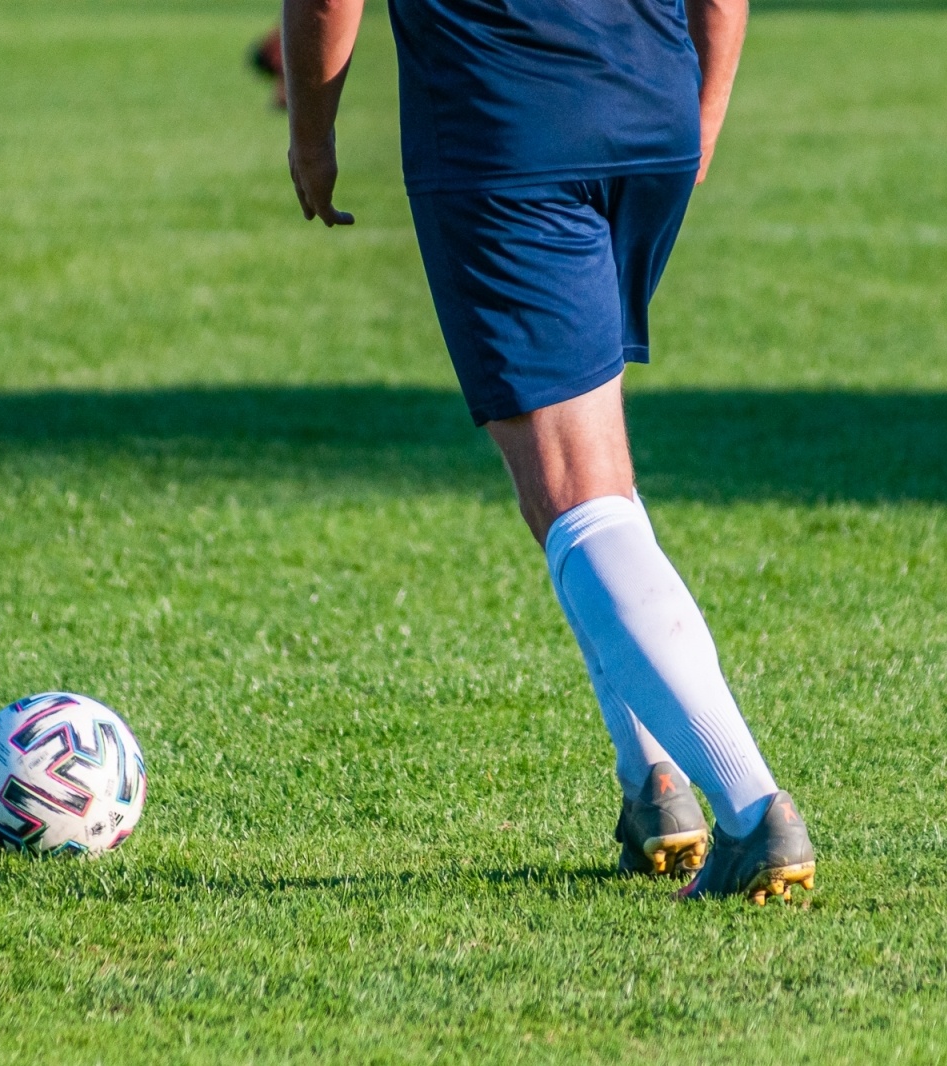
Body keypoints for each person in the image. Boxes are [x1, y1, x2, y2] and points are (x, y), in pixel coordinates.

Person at [280, 0, 815, 902]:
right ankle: (655, 785)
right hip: (651, 109)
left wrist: (311, 137)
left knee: (576, 493)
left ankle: (753, 809)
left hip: (511, 125)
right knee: (580, 472)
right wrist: (703, 108)